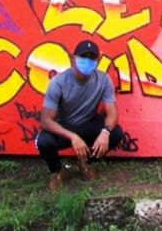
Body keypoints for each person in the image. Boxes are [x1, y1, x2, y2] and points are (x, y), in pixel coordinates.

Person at [36, 40, 125, 190]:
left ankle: (85, 163)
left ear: (97, 61)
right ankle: (56, 171)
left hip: (87, 124)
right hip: (64, 128)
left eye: (92, 58)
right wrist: (72, 137)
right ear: (73, 59)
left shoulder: (103, 80)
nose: (87, 62)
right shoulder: (58, 83)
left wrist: (104, 133)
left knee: (115, 133)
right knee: (43, 141)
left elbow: (113, 113)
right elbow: (45, 120)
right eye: (83, 57)